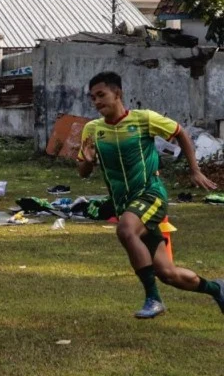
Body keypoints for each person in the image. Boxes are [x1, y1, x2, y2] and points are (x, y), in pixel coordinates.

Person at [78, 71, 222, 319]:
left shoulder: (144, 119)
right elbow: (82, 171)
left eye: (101, 95)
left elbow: (180, 133)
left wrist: (195, 170)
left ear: (118, 94)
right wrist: (88, 161)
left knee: (125, 230)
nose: (97, 102)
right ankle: (217, 289)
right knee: (168, 273)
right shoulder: (92, 130)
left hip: (150, 194)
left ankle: (153, 299)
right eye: (93, 98)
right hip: (125, 205)